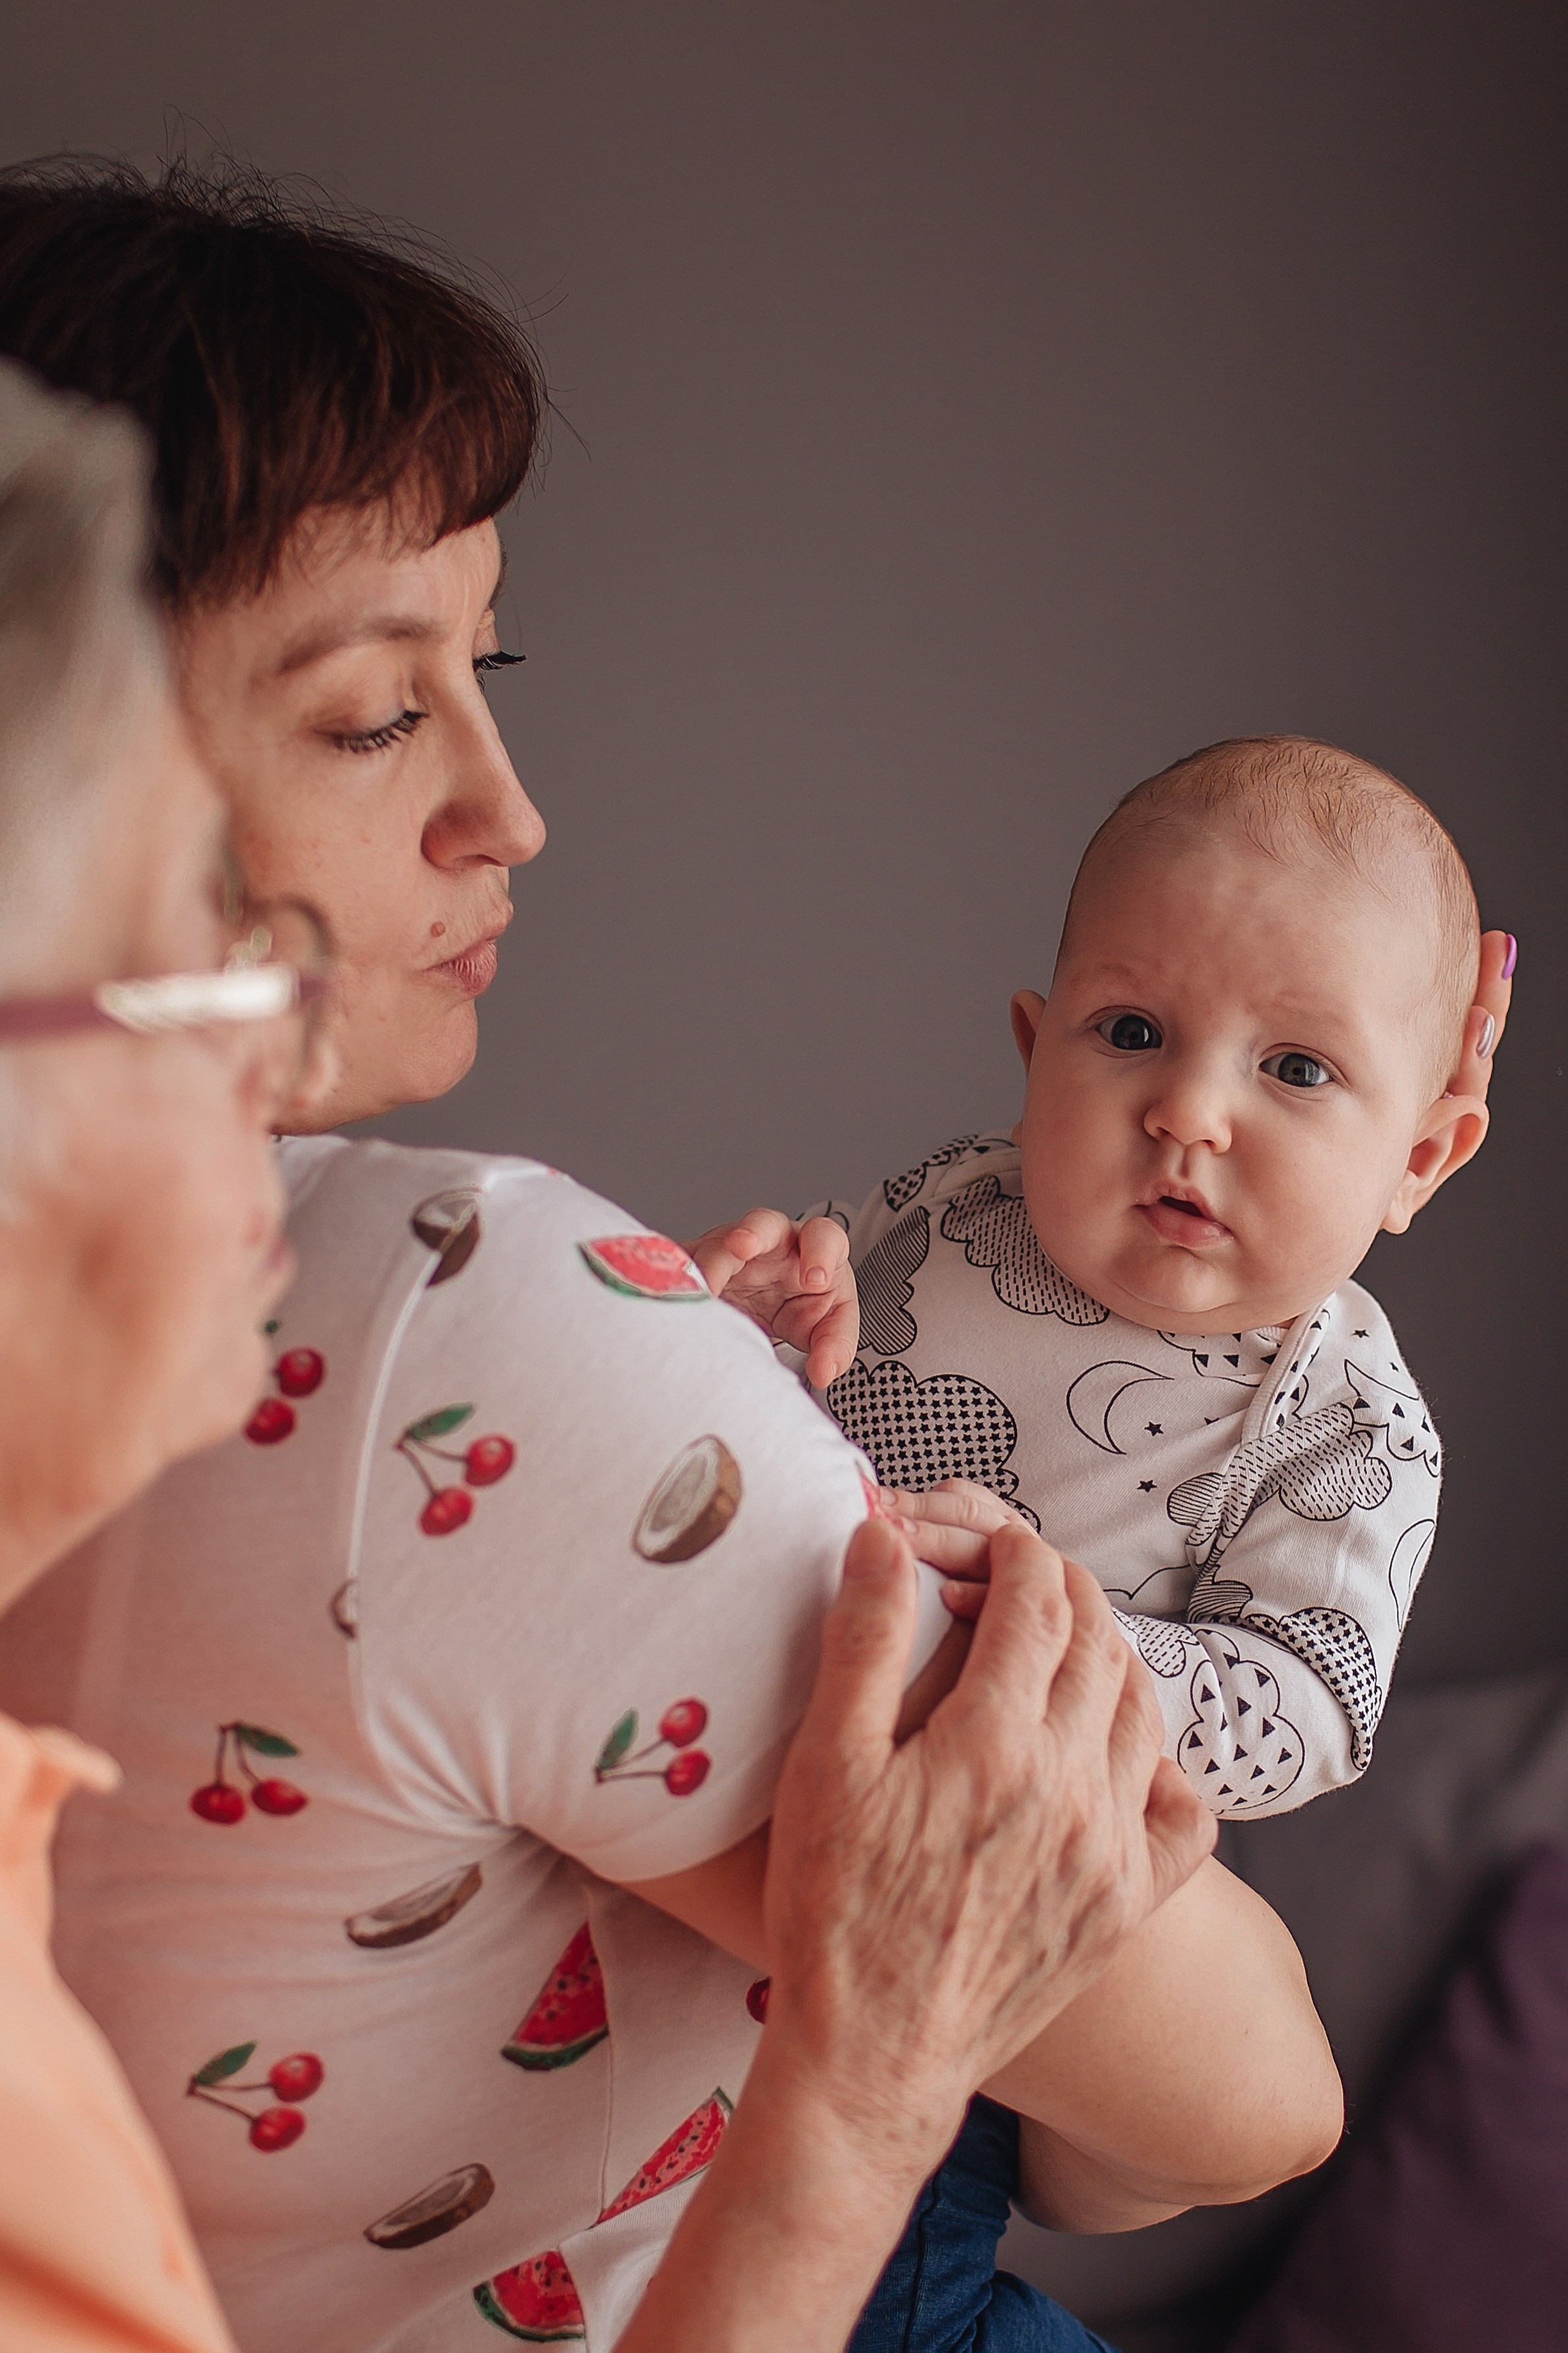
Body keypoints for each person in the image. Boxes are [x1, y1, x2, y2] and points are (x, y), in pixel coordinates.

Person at [0, 164, 1347, 2353]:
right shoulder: (458, 1313)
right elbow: (1245, 2092)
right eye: (371, 712)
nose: (505, 807)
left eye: (485, 668)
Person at [772, 733, 1512, 2343]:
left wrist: (1032, 1635)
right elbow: (774, 1406)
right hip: (728, 1828)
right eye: (1130, 1033)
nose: (1187, 1108)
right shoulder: (947, 1207)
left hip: (978, 1961)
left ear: (1423, 1154)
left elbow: (1308, 1707)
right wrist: (760, 1319)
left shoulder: (1346, 1421)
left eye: (1296, 1069)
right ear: (1034, 1052)